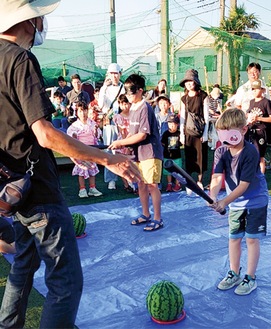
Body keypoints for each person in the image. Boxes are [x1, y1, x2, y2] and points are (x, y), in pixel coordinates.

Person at [0, 2, 141, 328]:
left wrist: (73, 150)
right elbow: (44, 133)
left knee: (24, 261)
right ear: (30, 19)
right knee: (65, 280)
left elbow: (25, 132)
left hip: (12, 188)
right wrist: (108, 158)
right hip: (38, 192)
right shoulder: (20, 60)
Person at [208, 108, 268, 296]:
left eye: (230, 133)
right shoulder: (221, 151)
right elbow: (217, 177)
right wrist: (213, 195)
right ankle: (234, 272)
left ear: (243, 130)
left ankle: (250, 277)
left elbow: (243, 185)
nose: (225, 138)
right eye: (222, 133)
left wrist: (224, 201)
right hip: (235, 203)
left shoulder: (250, 152)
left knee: (251, 239)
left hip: (255, 200)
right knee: (234, 238)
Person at [109, 73, 164, 232]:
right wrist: (124, 144)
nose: (128, 96)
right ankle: (146, 214)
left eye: (131, 93)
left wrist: (121, 142)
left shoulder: (145, 108)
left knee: (152, 185)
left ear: (140, 91)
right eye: (126, 93)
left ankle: (157, 219)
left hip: (150, 152)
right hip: (137, 154)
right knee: (140, 184)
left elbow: (142, 135)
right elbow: (133, 134)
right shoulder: (133, 107)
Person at [179, 69, 209, 193]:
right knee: (189, 156)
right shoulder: (183, 98)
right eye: (187, 81)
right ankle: (190, 182)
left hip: (201, 132)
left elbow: (206, 116)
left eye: (191, 81)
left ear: (196, 82)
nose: (189, 83)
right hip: (188, 132)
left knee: (201, 157)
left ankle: (200, 181)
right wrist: (181, 133)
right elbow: (182, 117)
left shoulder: (203, 96)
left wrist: (206, 133)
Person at [67, 101, 103, 198]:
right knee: (81, 170)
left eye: (85, 110)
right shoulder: (74, 126)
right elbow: (71, 138)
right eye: (80, 111)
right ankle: (82, 189)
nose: (83, 113)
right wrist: (74, 136)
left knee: (92, 169)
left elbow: (97, 136)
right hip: (81, 151)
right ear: (77, 113)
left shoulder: (92, 123)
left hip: (91, 150)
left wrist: (96, 131)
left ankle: (92, 188)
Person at [98, 63, 125, 190]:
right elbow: (100, 104)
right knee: (109, 149)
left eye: (116, 73)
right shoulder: (105, 89)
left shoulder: (124, 88)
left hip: (122, 122)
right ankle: (111, 179)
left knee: (124, 149)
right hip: (108, 123)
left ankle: (127, 177)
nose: (114, 76)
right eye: (112, 73)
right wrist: (103, 87)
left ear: (120, 74)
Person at [246, 79, 271, 173]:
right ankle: (253, 176)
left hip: (261, 131)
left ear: (262, 90)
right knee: (251, 155)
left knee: (260, 156)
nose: (255, 91)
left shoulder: (266, 102)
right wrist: (249, 117)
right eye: (253, 89)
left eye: (257, 89)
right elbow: (247, 113)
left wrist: (259, 119)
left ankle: (261, 178)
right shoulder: (251, 102)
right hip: (251, 131)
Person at [112, 94, 134, 192]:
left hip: (133, 140)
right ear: (120, 105)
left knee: (133, 164)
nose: (126, 106)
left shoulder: (134, 115)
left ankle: (134, 184)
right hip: (123, 142)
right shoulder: (118, 117)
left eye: (127, 104)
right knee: (123, 164)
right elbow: (122, 131)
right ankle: (126, 185)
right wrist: (126, 144)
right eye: (123, 104)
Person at [161, 114, 182, 192]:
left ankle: (177, 184)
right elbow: (162, 142)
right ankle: (169, 184)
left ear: (177, 124)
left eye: (174, 124)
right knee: (168, 171)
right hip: (167, 155)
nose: (172, 126)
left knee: (178, 171)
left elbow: (182, 142)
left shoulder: (179, 133)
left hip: (177, 156)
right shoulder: (166, 133)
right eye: (170, 124)